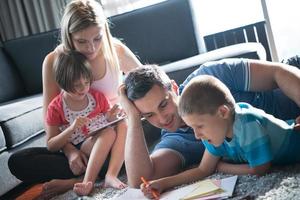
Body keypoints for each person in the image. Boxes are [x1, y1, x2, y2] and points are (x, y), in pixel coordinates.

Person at [8, 0, 141, 198]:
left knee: (138, 129)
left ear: (104, 29)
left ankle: (79, 180)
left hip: (117, 134)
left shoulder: (115, 50)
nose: (91, 48)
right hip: (79, 143)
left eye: (97, 38)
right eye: (82, 41)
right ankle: (94, 172)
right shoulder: (54, 61)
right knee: (19, 160)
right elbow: (51, 125)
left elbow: (146, 79)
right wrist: (70, 152)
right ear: (69, 36)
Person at [118, 59, 300, 191]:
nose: (162, 119)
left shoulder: (210, 76)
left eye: (163, 104)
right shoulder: (175, 140)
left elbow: (280, 72)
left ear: (174, 88)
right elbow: (139, 180)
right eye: (149, 115)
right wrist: (133, 119)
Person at [47, 50, 127, 196]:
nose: (83, 88)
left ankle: (102, 176)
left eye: (86, 82)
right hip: (81, 149)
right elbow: (51, 145)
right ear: (63, 84)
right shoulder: (56, 107)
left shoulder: (97, 97)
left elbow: (107, 123)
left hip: (103, 145)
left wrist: (110, 117)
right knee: (108, 133)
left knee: (118, 127)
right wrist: (71, 129)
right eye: (77, 85)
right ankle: (87, 182)